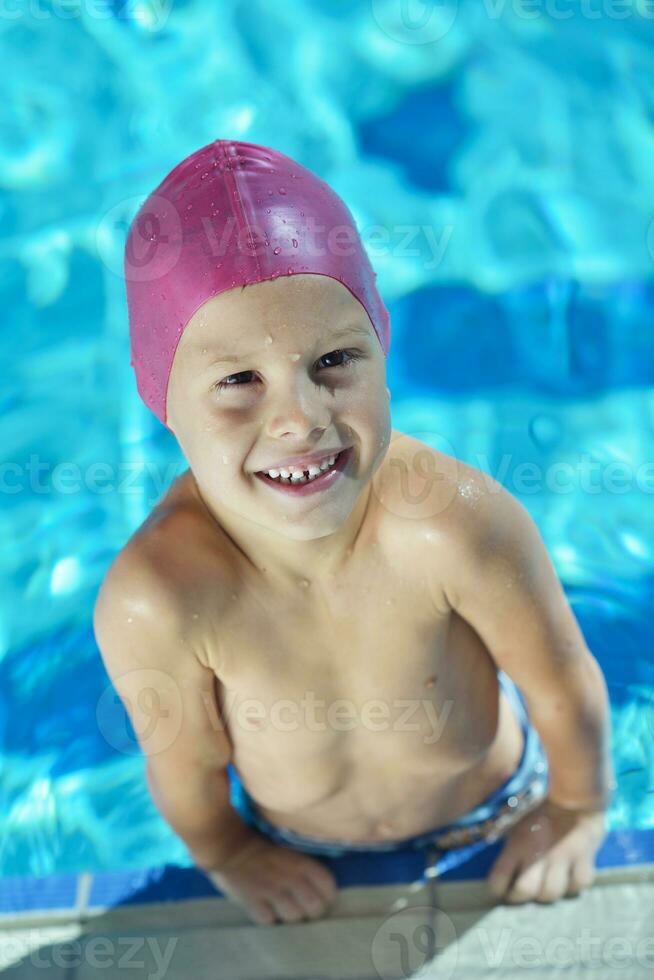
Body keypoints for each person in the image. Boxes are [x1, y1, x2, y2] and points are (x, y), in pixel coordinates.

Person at [93, 139, 616, 927]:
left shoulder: (454, 525)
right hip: (299, 842)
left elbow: (561, 680)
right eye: (238, 381)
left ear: (382, 347)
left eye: (335, 359)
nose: (301, 419)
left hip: (496, 805)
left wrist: (576, 807)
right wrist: (229, 853)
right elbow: (186, 764)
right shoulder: (160, 597)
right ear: (160, 399)